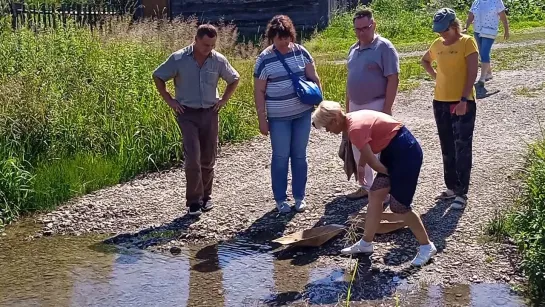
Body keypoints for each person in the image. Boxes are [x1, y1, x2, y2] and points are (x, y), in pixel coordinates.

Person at [311, 100, 436, 267]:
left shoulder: (354, 129)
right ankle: (366, 243)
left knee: (399, 207)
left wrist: (395, 176)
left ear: (334, 120)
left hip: (406, 152)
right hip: (393, 150)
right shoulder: (351, 120)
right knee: (375, 194)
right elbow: (367, 149)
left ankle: (427, 246)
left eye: (327, 127)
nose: (327, 131)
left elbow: (375, 164)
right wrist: (361, 166)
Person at [152, 24, 240, 216]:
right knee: (193, 158)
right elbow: (158, 76)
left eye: (212, 45)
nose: (209, 48)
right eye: (205, 44)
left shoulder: (218, 60)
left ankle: (206, 197)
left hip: (210, 112)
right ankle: (193, 201)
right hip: (187, 113)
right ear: (196, 40)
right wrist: (170, 100)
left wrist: (224, 99)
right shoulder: (179, 58)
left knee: (208, 157)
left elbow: (234, 78)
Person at [253, 14, 322, 214]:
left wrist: (320, 108)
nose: (283, 42)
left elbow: (314, 79)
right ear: (272, 38)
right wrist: (261, 118)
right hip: (278, 117)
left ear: (291, 35)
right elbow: (259, 91)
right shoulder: (264, 59)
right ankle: (281, 199)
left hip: (302, 114)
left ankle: (299, 197)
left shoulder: (301, 52)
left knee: (300, 156)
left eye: (286, 37)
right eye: (278, 38)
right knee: (281, 156)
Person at [421, 8, 479, 210]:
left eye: (444, 30)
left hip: (462, 101)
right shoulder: (437, 44)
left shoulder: (467, 42)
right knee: (446, 146)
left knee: (462, 146)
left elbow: (472, 72)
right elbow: (425, 60)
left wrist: (464, 99)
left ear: (454, 26)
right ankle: (452, 187)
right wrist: (436, 76)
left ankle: (462, 192)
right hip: (440, 101)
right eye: (439, 31)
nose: (441, 35)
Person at [344, 8, 400, 201]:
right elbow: (349, 81)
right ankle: (365, 186)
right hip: (355, 106)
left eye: (365, 28)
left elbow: (393, 78)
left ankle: (383, 191)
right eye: (357, 29)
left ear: (374, 25)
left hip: (376, 105)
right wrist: (347, 108)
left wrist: (386, 109)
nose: (361, 32)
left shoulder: (384, 47)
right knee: (358, 149)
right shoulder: (353, 49)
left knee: (378, 149)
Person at [464, 0, 510, 87]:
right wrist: (466, 27)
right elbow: (471, 15)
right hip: (477, 30)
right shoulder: (476, 2)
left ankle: (482, 77)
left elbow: (503, 16)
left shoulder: (497, 1)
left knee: (484, 53)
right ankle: (489, 73)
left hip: (490, 30)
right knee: (481, 53)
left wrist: (506, 30)